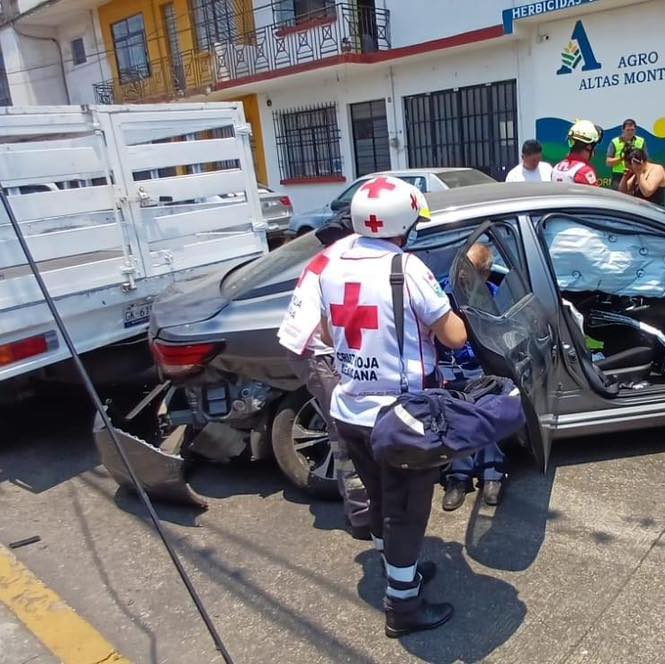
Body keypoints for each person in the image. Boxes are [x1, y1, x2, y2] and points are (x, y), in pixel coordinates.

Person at [318, 176, 468, 638]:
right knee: (406, 511)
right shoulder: (408, 267)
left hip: (349, 410)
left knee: (382, 500)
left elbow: (324, 332)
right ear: (404, 225)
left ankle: (399, 573)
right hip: (400, 416)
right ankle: (403, 607)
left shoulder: (331, 266)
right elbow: (454, 336)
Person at [277, 231, 371, 540]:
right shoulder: (353, 257)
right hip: (317, 351)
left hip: (313, 344)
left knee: (348, 429)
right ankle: (362, 517)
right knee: (346, 432)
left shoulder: (344, 249)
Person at [440, 244, 506, 511]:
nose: (464, 279)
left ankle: (493, 474)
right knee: (456, 413)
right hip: (449, 367)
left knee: (489, 408)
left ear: (485, 274)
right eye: (463, 273)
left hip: (483, 367)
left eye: (473, 274)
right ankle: (458, 477)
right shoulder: (441, 295)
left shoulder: (493, 295)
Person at [551, 120, 603, 186]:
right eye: (594, 146)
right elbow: (594, 192)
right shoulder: (585, 171)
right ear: (589, 147)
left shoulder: (556, 168)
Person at [606, 118, 648, 190]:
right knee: (618, 195)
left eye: (632, 130)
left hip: (635, 174)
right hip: (618, 175)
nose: (630, 132)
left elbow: (645, 160)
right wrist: (622, 158)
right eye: (628, 130)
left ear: (635, 130)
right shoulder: (615, 142)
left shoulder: (641, 141)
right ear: (623, 130)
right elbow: (608, 163)